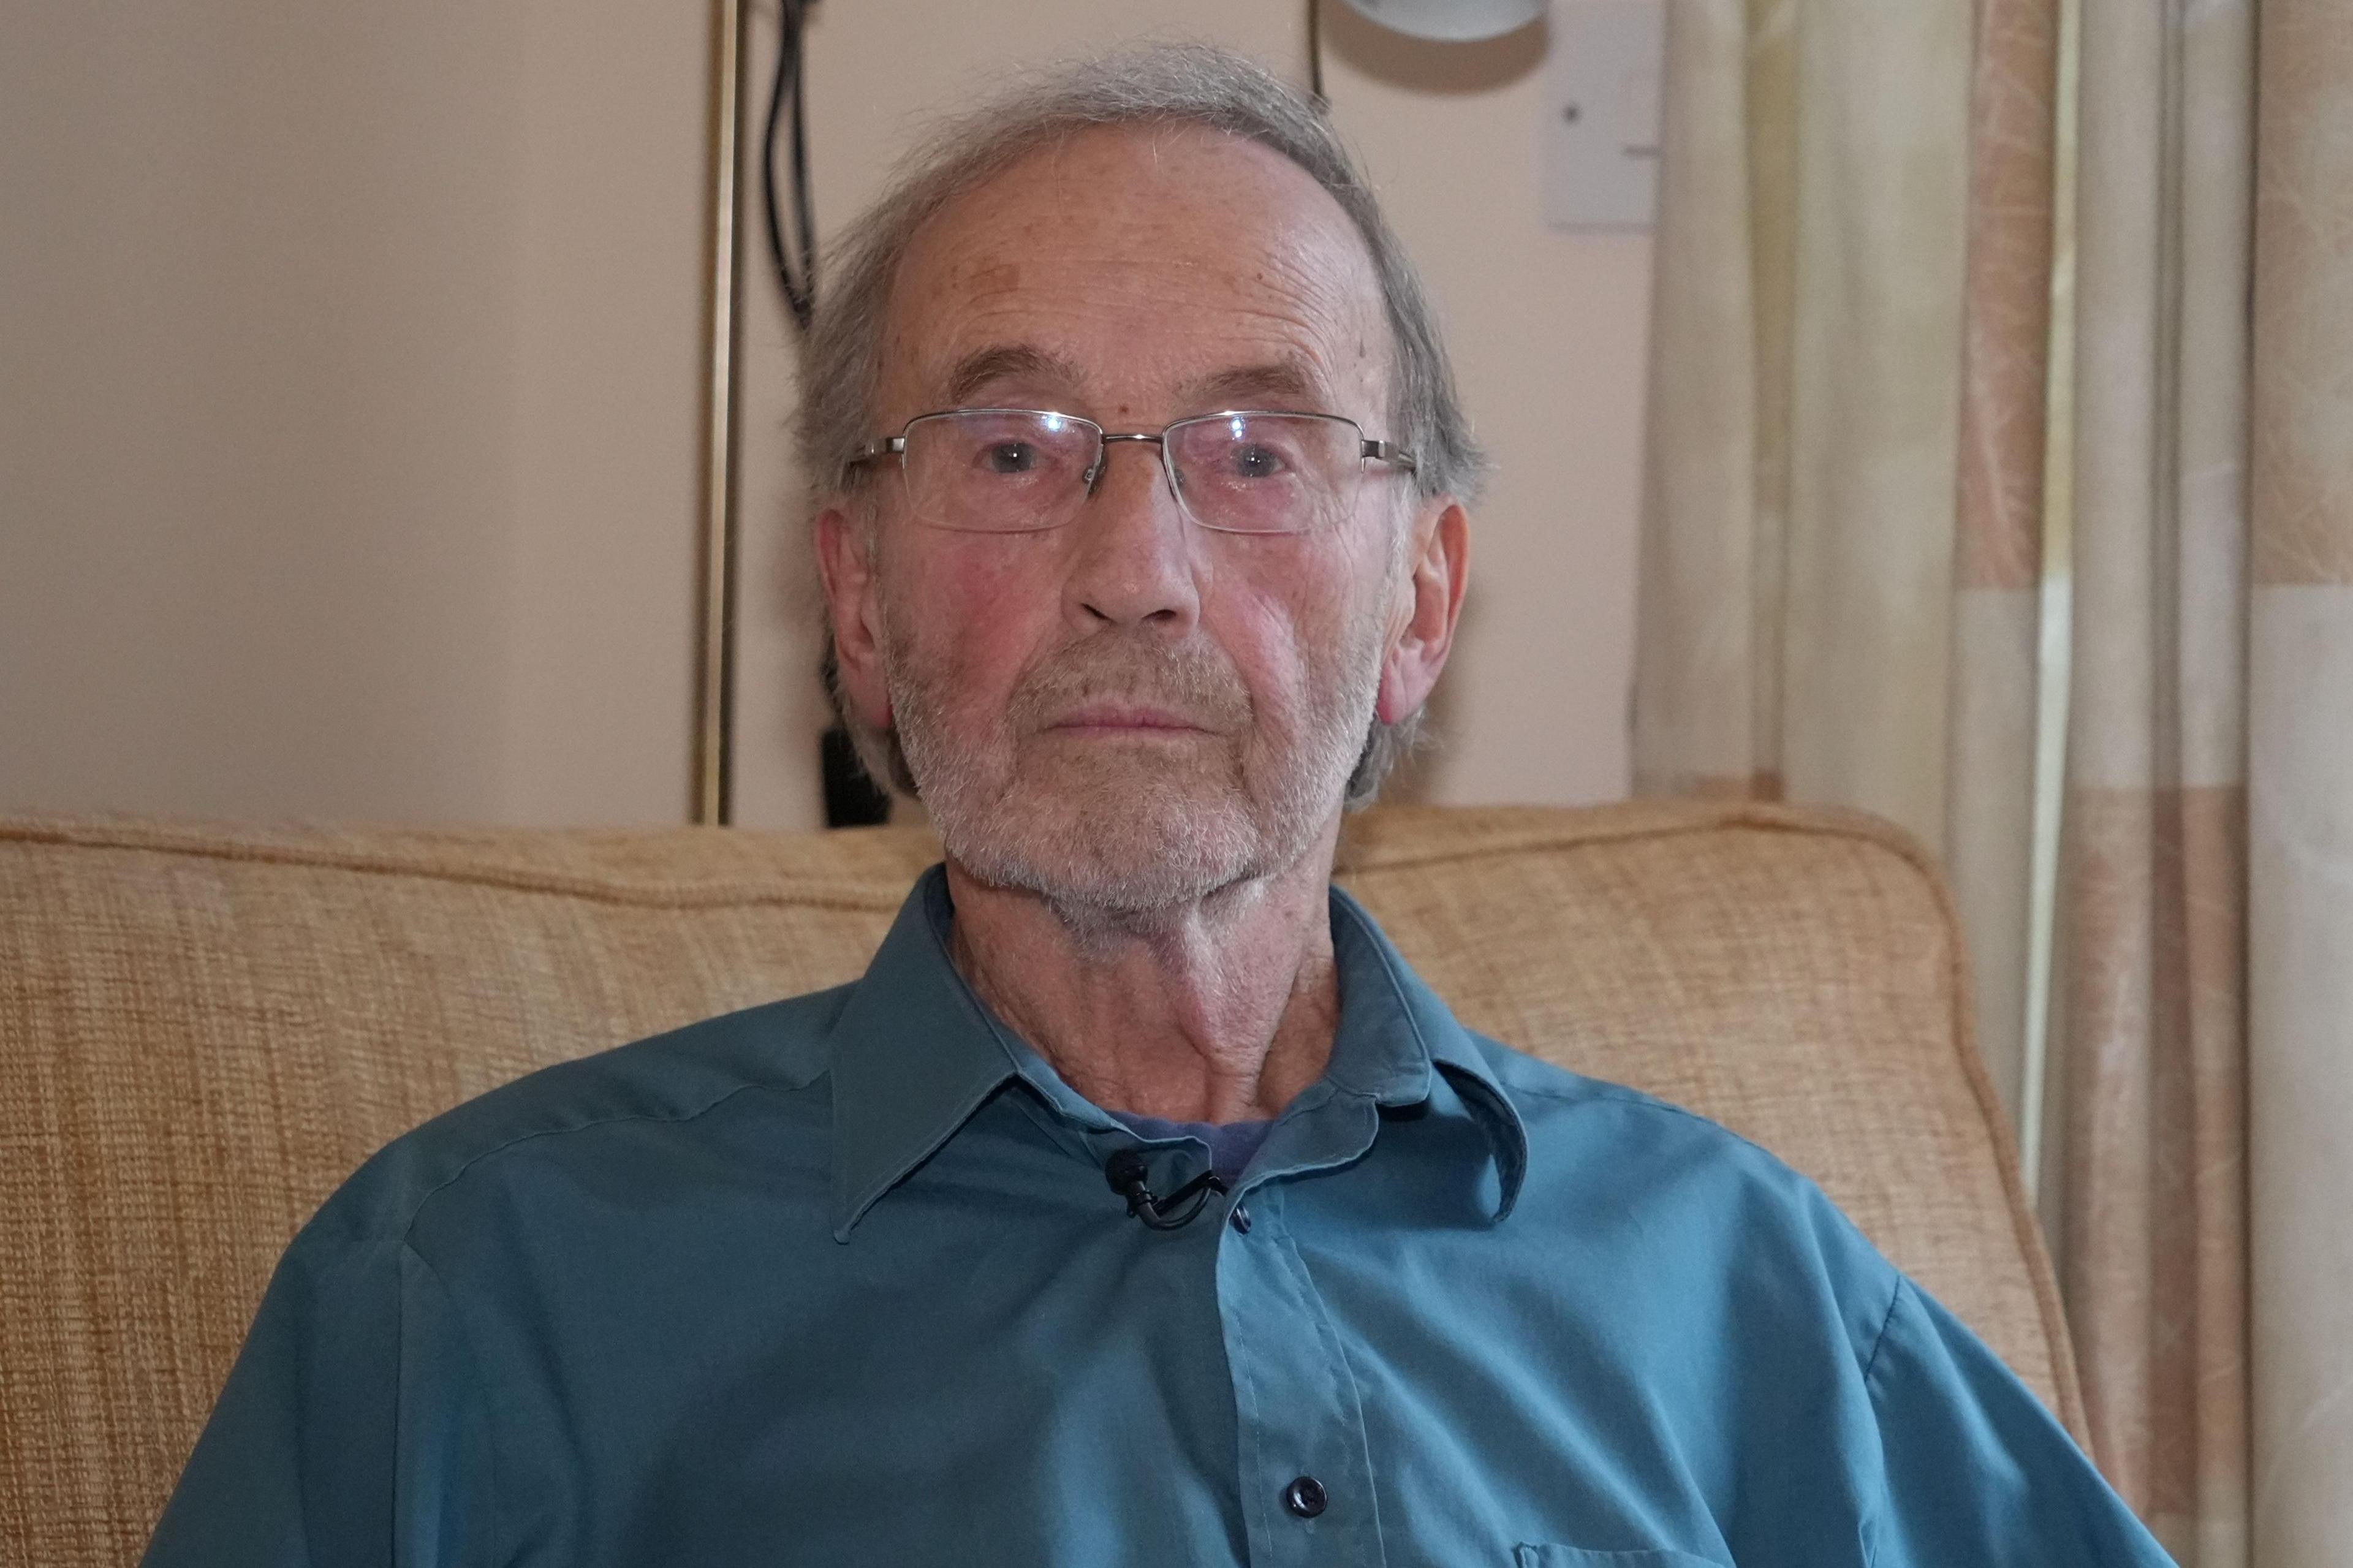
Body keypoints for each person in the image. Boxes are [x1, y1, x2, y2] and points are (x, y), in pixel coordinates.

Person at [143, 44, 2174, 1568]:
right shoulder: (477, 1287)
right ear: (859, 599)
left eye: (1260, 451)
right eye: (1016, 450)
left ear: (1421, 605)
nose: (1139, 564)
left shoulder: (1742, 1287)